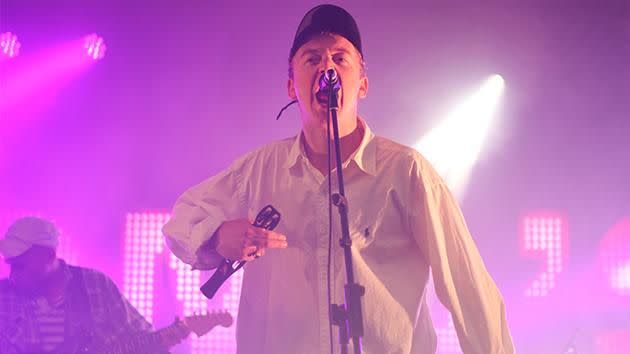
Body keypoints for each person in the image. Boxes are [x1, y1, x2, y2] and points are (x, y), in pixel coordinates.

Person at [162, 4, 515, 354]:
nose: (326, 67)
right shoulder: (258, 171)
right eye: (312, 58)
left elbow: (469, 290)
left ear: (362, 84)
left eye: (340, 58)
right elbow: (180, 221)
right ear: (291, 85)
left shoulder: (406, 172)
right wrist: (219, 236)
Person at [0, 216, 170, 354]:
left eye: (20, 265)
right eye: (11, 265)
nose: (13, 274)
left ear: (48, 256)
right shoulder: (4, 297)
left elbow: (141, 339)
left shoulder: (95, 286)